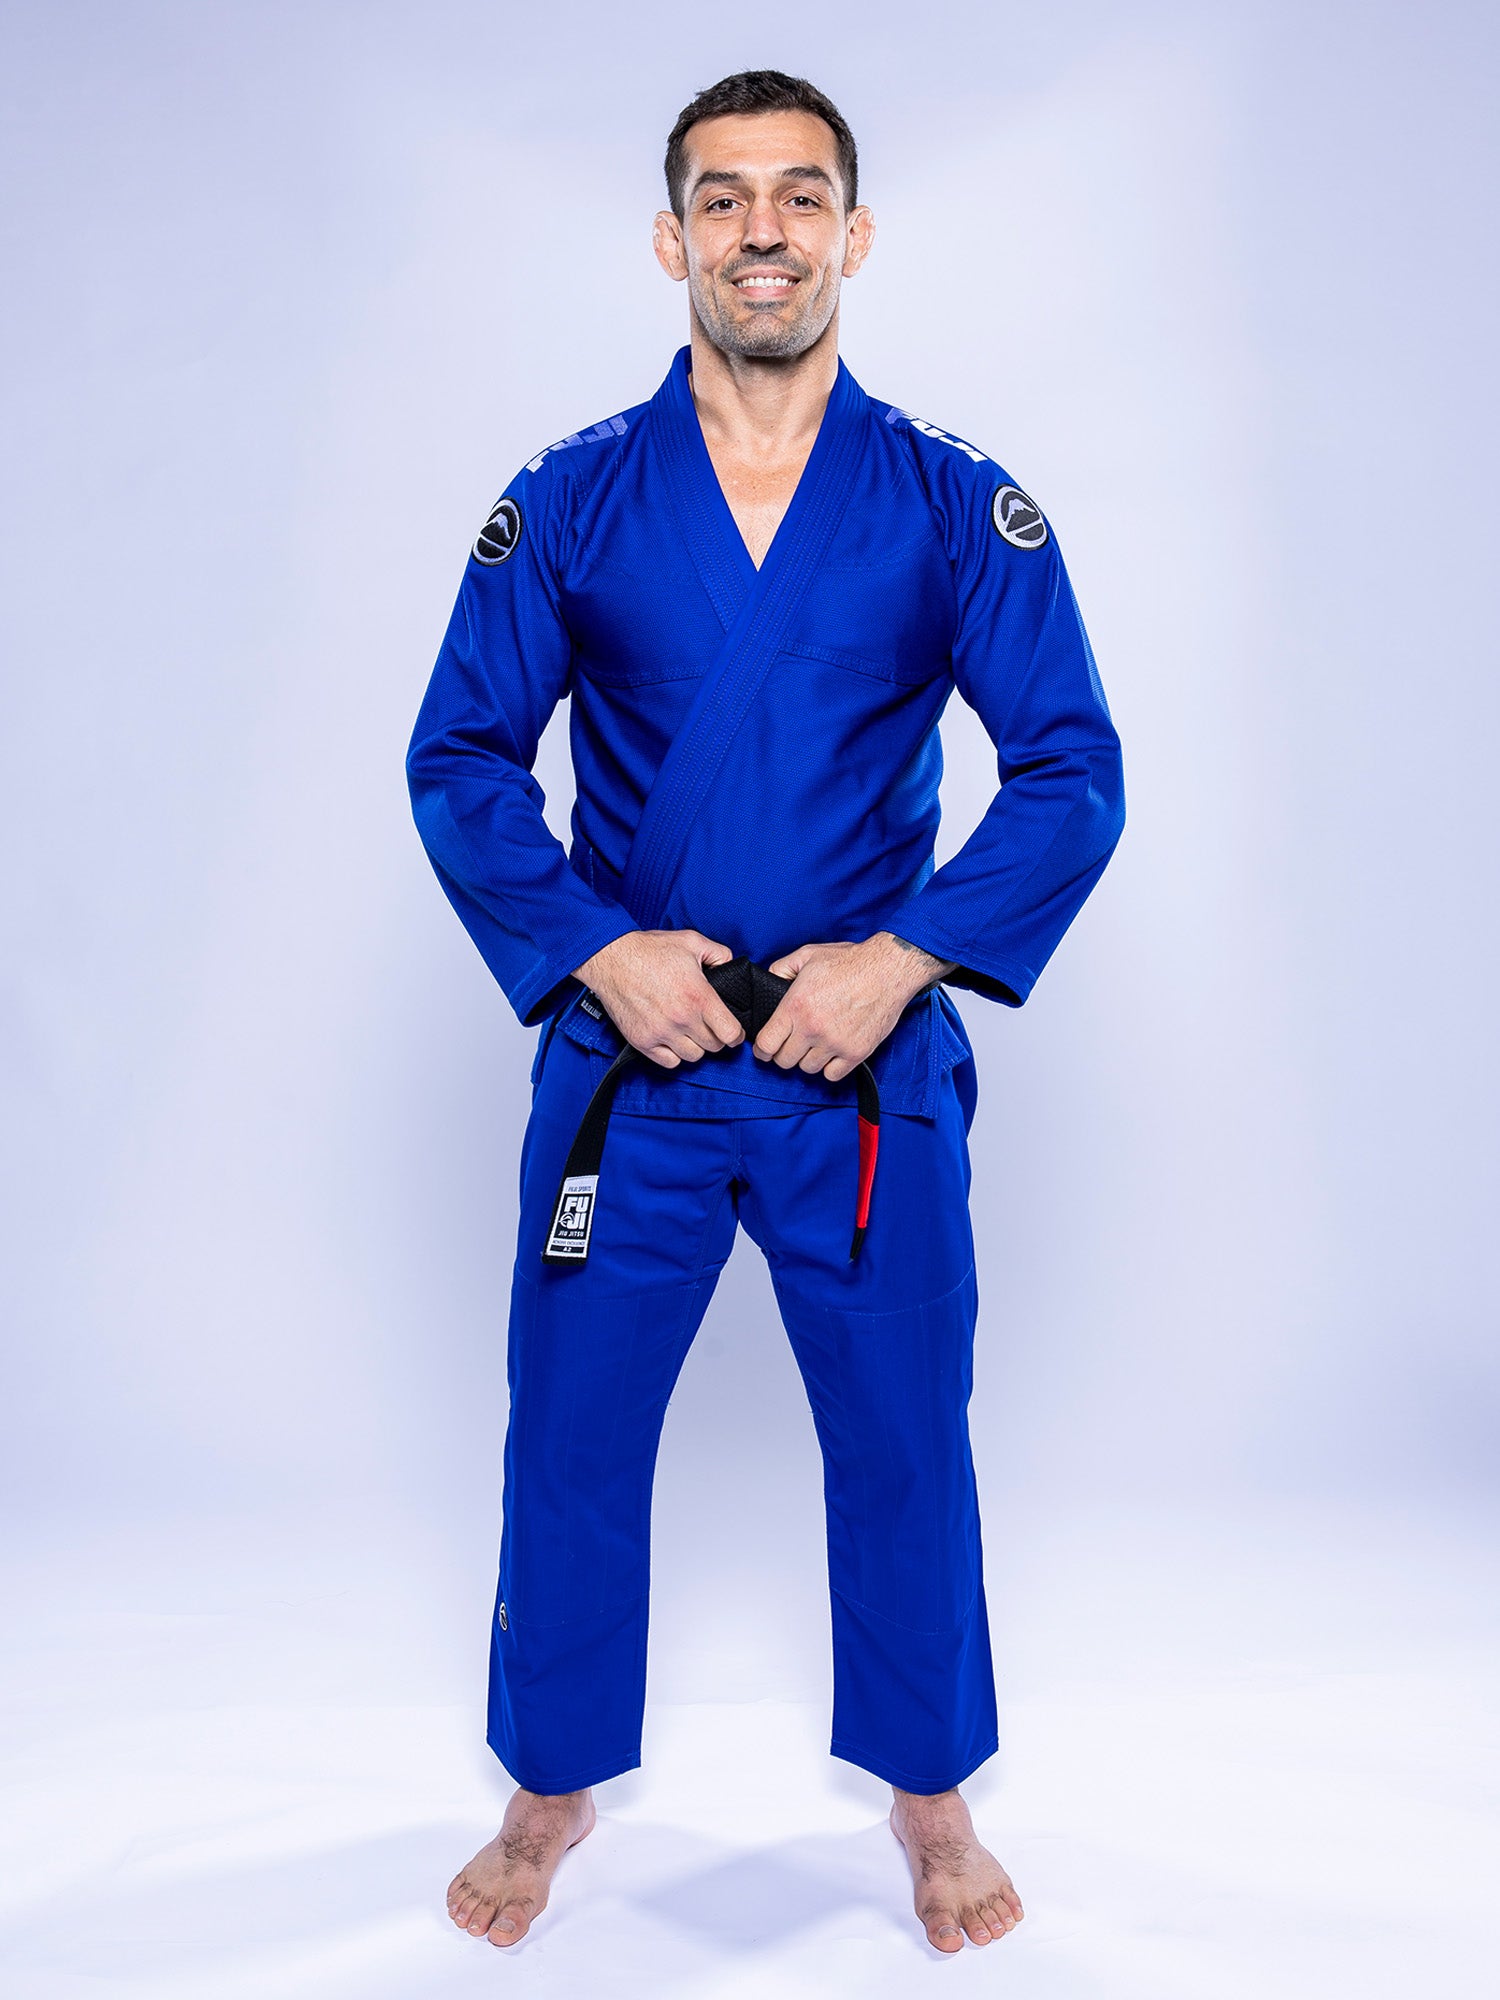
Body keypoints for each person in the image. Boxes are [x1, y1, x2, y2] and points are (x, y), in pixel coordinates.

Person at [406, 68, 1124, 1954]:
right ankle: (550, 1788)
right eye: (722, 201)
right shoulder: (566, 500)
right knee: (566, 1432)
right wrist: (589, 950)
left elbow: (1070, 768)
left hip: (855, 1063)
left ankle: (932, 1798)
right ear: (672, 241)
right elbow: (464, 757)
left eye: (800, 198)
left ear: (855, 237)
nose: (763, 234)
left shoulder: (953, 502)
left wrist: (907, 959)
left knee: (903, 1433)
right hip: (631, 1063)